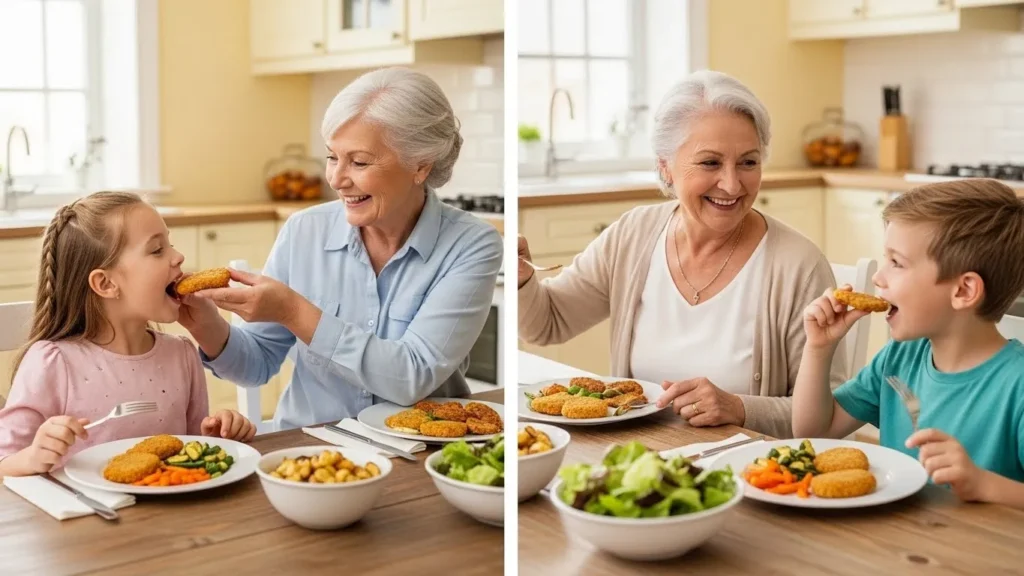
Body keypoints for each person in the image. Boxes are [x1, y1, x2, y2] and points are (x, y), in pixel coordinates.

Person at [518, 70, 846, 438]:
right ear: (665, 167)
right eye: (710, 163)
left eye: (748, 162)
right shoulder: (634, 234)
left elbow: (829, 417)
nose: (732, 183)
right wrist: (522, 280)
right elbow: (546, 322)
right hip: (637, 462)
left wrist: (740, 408)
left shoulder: (799, 265)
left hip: (749, 474)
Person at [179, 67, 503, 431]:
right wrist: (207, 326)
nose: (336, 178)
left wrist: (292, 310)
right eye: (333, 157)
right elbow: (257, 364)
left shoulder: (473, 245)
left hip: (420, 454)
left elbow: (412, 375)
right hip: (311, 453)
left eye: (359, 162)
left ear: (420, 165)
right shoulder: (305, 230)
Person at [793, 179, 1024, 508]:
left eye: (896, 263)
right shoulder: (899, 357)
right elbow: (814, 431)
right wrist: (819, 348)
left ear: (963, 291)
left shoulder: (1017, 386)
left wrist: (983, 484)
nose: (878, 277)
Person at [0, 192, 256, 477]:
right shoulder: (53, 362)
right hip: (87, 515)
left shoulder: (181, 354)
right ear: (106, 283)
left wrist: (219, 433)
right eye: (157, 250)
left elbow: (192, 449)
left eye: (169, 244)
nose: (179, 257)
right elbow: (5, 460)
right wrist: (34, 457)